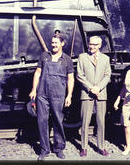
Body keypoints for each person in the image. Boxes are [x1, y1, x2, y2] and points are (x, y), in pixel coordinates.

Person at [29, 32, 74, 161]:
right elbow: (37, 73)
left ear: (62, 44)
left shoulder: (67, 60)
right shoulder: (44, 56)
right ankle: (44, 150)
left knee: (58, 121)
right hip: (42, 94)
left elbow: (70, 79)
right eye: (52, 42)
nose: (53, 45)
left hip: (58, 95)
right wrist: (34, 89)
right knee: (42, 121)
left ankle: (59, 148)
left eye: (56, 43)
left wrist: (69, 95)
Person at [76, 36, 111, 157]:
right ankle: (84, 147)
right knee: (85, 121)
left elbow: (107, 75)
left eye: (95, 45)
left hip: (101, 93)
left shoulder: (106, 59)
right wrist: (91, 88)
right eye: (90, 44)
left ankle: (101, 147)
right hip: (87, 93)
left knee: (101, 121)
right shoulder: (82, 57)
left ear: (100, 45)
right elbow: (79, 75)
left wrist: (98, 88)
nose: (92, 47)